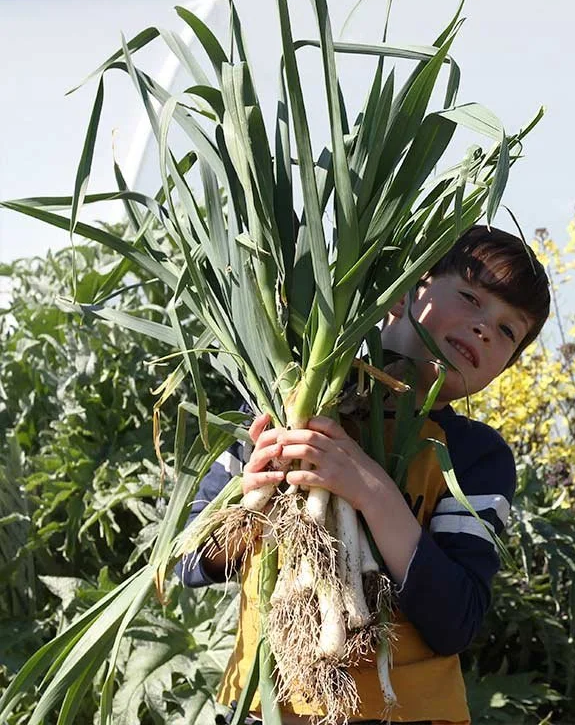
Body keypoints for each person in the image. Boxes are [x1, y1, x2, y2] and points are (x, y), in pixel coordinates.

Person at [178, 225, 551, 725]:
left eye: (509, 330)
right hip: (259, 707)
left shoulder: (475, 458)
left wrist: (370, 491)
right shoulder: (278, 407)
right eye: (469, 297)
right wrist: (254, 500)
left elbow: (455, 621)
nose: (486, 327)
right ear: (401, 293)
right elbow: (186, 562)